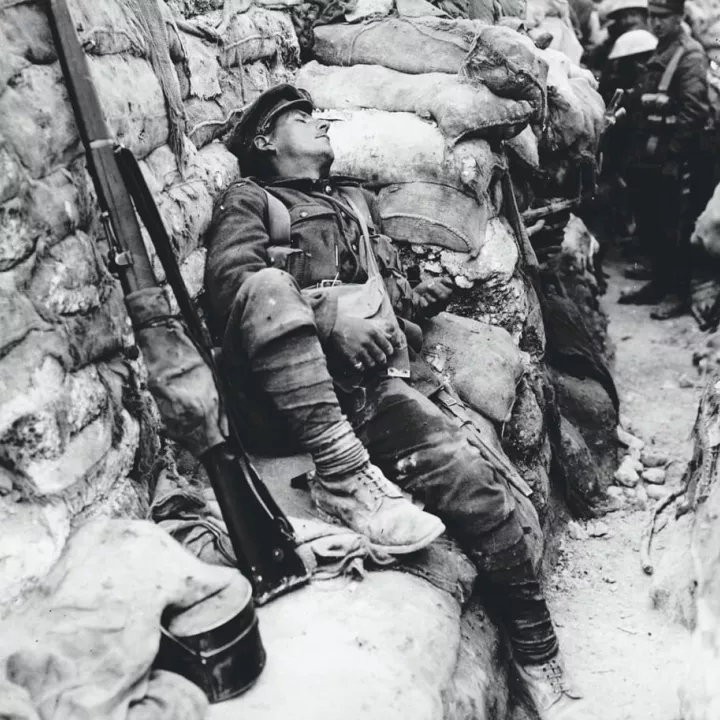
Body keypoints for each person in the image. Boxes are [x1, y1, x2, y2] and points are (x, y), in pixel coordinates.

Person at [204, 84, 585, 719]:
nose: (321, 121)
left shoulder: (351, 205)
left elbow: (384, 304)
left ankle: (535, 647)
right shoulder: (254, 201)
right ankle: (343, 476)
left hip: (368, 388)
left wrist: (426, 292)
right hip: (281, 396)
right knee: (270, 286)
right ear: (268, 141)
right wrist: (327, 315)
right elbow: (231, 289)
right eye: (303, 117)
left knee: (478, 484)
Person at [618, 0, 710, 318]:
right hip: (649, 155)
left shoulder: (690, 54)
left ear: (679, 17)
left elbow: (694, 111)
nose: (656, 24)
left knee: (675, 228)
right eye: (652, 17)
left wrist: (674, 155)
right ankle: (658, 284)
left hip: (673, 158)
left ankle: (678, 294)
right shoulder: (662, 49)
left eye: (663, 18)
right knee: (651, 224)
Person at [584, 0, 649, 75]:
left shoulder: (657, 43)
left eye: (633, 14)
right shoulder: (614, 41)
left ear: (645, 16)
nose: (628, 20)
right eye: (623, 16)